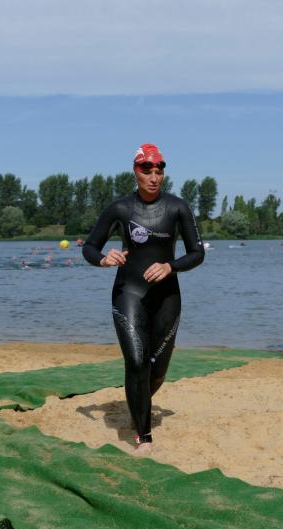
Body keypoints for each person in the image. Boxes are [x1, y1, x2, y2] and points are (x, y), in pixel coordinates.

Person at [82, 143, 204, 453]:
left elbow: (197, 253)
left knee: (156, 371)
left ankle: (137, 401)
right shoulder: (120, 209)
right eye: (146, 169)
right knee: (137, 362)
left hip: (167, 296)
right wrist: (103, 259)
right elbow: (89, 247)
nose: (153, 176)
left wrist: (170, 266)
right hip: (130, 292)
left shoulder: (177, 207)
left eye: (159, 170)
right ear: (135, 171)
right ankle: (143, 435)